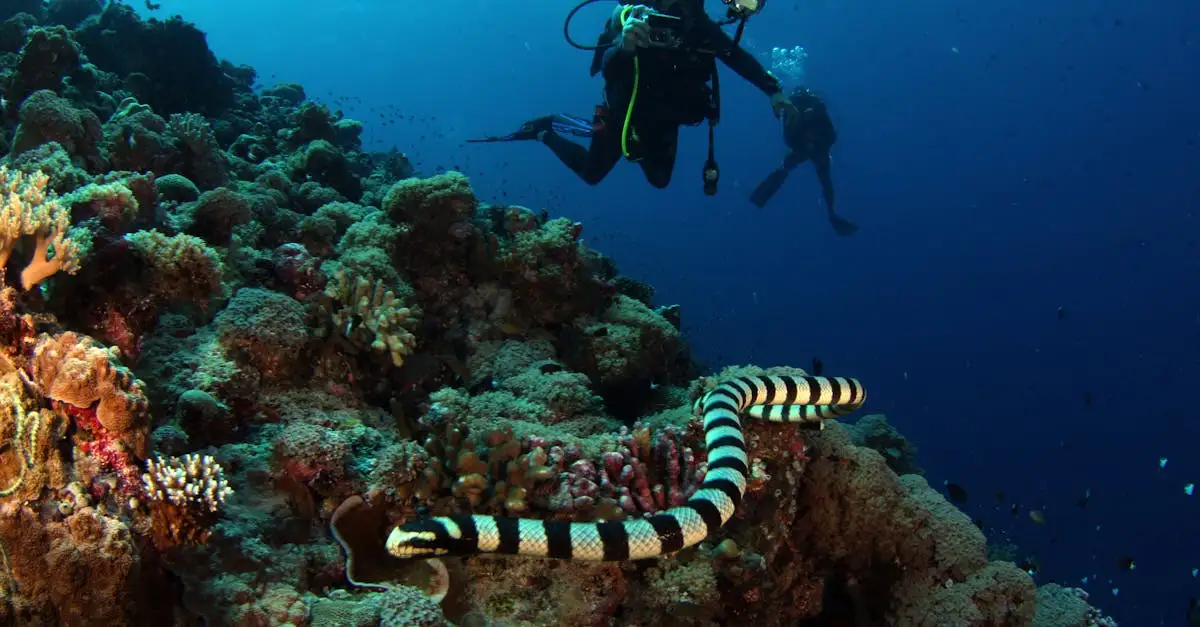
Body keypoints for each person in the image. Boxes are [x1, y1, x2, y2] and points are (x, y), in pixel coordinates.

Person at [499, 0, 797, 190]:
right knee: (592, 174)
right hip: (624, 111)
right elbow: (606, 66)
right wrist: (625, 45)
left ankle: (631, 142)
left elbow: (736, 56)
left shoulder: (701, 27)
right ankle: (547, 128)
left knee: (660, 180)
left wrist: (774, 91)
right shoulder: (633, 17)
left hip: (666, 116)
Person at [749, 86, 858, 236]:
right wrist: (815, 144)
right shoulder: (813, 110)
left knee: (796, 170)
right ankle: (832, 214)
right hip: (811, 147)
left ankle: (832, 214)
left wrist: (811, 144)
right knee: (824, 180)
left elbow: (791, 138)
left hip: (809, 147)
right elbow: (830, 134)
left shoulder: (804, 112)